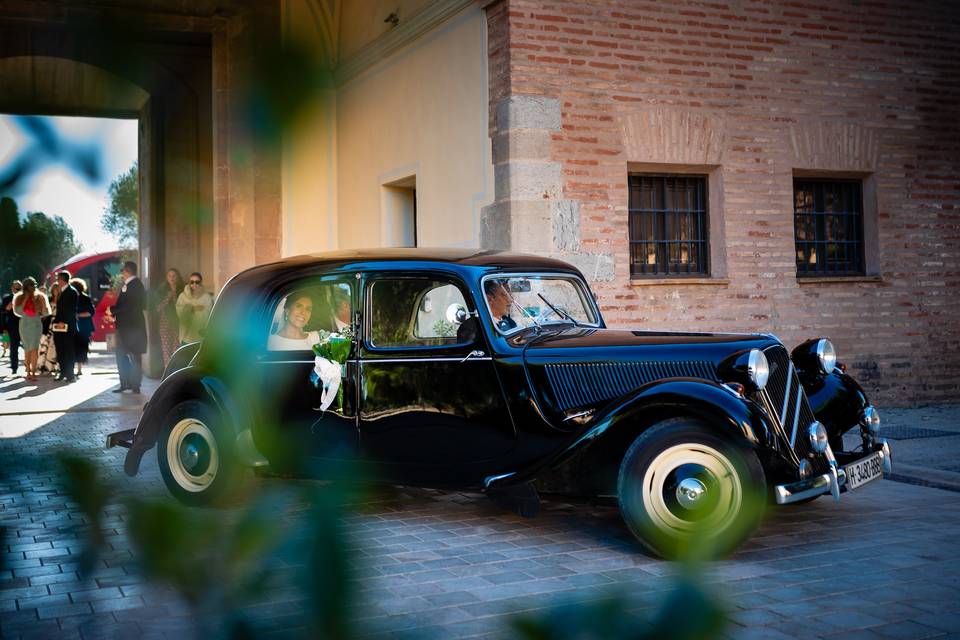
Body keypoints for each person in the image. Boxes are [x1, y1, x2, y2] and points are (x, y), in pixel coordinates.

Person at [109, 261, 146, 394]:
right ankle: (127, 383)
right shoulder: (132, 285)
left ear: (127, 271)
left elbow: (129, 306)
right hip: (128, 327)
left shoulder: (134, 285)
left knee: (133, 356)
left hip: (131, 328)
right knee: (123, 355)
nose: (121, 273)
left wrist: (112, 309)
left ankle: (133, 385)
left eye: (122, 270)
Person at [12, 277, 48, 381]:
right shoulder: (19, 297)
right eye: (30, 286)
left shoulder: (40, 296)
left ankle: (33, 371)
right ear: (26, 287)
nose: (32, 287)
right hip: (24, 325)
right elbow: (18, 312)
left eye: (34, 285)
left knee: (35, 348)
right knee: (27, 349)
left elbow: (45, 313)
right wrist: (25, 300)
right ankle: (28, 370)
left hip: (36, 324)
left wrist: (43, 304)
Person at [51, 271, 78, 383]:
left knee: (68, 351)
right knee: (60, 350)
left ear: (62, 280)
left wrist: (63, 321)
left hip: (67, 326)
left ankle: (70, 375)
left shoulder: (72, 292)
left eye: (58, 279)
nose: (57, 281)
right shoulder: (61, 291)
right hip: (59, 326)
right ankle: (63, 373)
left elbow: (71, 309)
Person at [155, 268, 184, 367]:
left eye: (174, 276)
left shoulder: (183, 289)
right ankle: (168, 375)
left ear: (178, 277)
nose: (172, 278)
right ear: (166, 278)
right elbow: (158, 308)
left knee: (177, 350)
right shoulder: (161, 289)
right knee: (166, 350)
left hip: (179, 322)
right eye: (169, 276)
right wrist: (168, 297)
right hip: (165, 322)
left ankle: (175, 373)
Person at [175, 272, 214, 345]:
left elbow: (210, 314)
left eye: (197, 282)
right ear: (189, 283)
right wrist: (192, 308)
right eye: (192, 282)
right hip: (187, 335)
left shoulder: (206, 297)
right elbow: (179, 311)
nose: (194, 284)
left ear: (201, 282)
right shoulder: (182, 296)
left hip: (200, 334)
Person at [72, 278, 95, 376]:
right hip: (84, 327)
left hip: (78, 326)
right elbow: (91, 313)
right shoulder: (86, 298)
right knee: (81, 348)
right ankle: (79, 369)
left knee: (75, 347)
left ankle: (75, 369)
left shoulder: (81, 298)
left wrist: (77, 315)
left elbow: (90, 312)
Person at [2, 280, 23, 376]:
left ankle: (29, 367)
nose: (17, 290)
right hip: (12, 326)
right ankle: (14, 367)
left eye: (19, 288)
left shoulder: (24, 298)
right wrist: (7, 308)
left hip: (25, 325)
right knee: (14, 348)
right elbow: (2, 312)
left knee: (28, 347)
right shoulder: (7, 299)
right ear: (12, 288)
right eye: (16, 288)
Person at [38, 282, 59, 375]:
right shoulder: (48, 299)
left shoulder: (62, 300)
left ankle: (53, 367)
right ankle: (42, 366)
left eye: (57, 289)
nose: (56, 291)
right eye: (54, 289)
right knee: (44, 344)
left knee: (54, 346)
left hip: (57, 326)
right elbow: (43, 311)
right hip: (47, 325)